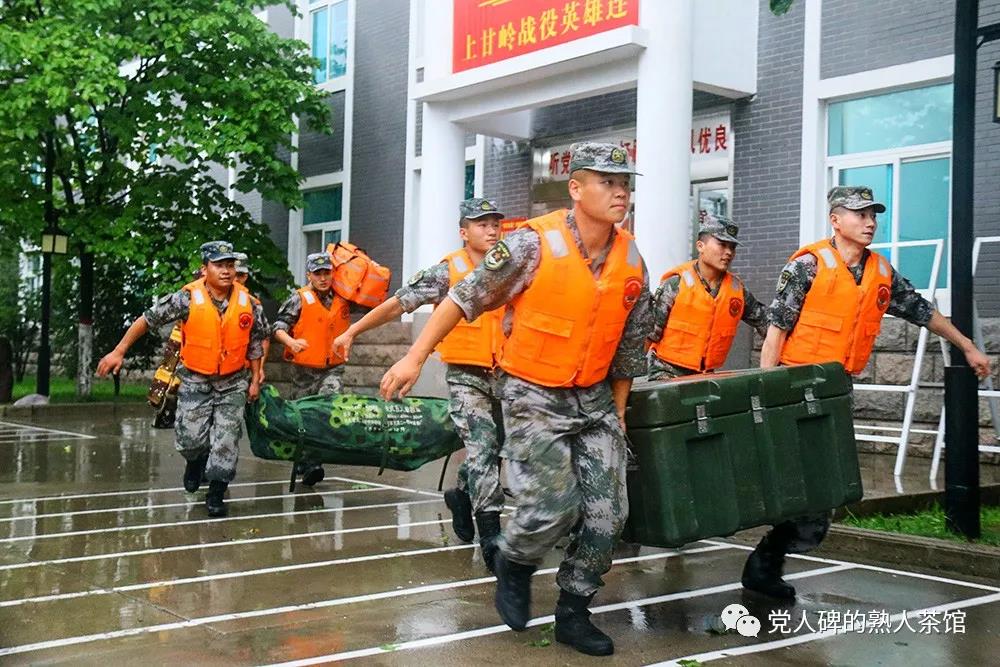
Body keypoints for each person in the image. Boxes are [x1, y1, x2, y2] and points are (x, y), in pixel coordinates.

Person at [379, 143, 651, 657]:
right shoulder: (532, 245)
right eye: (607, 182)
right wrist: (415, 356)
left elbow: (630, 348)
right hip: (531, 393)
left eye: (625, 183)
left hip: (593, 397)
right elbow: (463, 297)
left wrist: (617, 413)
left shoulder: (632, 256)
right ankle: (516, 559)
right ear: (576, 188)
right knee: (550, 507)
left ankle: (573, 611)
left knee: (609, 514)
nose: (620, 192)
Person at [745, 186, 993, 600]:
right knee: (800, 482)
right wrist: (764, 394)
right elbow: (775, 332)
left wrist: (966, 345)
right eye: (859, 214)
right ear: (835, 220)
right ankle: (765, 563)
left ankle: (766, 563)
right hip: (793, 388)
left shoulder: (880, 271)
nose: (870, 222)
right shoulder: (808, 265)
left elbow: (922, 310)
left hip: (836, 391)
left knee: (825, 489)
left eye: (873, 214)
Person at [333, 197, 507, 569]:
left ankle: (460, 495)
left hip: (508, 373)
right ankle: (492, 535)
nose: (492, 230)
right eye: (482, 224)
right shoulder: (449, 270)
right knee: (482, 448)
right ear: (464, 232)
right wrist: (354, 330)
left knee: (494, 449)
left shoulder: (510, 265)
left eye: (496, 223)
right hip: (467, 375)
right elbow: (399, 304)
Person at [97, 241, 268, 517]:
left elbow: (257, 342)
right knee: (190, 439)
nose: (226, 271)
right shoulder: (186, 298)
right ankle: (195, 462)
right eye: (219, 265)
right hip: (196, 379)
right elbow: (147, 320)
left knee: (227, 438)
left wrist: (256, 379)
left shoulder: (249, 303)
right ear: (204, 269)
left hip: (233, 381)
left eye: (230, 265)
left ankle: (216, 492)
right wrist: (119, 350)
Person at [647, 215, 768, 380]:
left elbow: (767, 324)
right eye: (722, 244)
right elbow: (649, 334)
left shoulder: (736, 290)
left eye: (732, 247)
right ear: (700, 246)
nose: (728, 252)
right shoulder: (676, 283)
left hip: (706, 376)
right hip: (667, 373)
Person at [271, 252, 352, 486]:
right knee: (304, 418)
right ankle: (305, 461)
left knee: (327, 407)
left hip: (332, 369)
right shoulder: (298, 299)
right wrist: (291, 342)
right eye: (318, 274)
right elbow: (278, 326)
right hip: (303, 372)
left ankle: (315, 463)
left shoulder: (342, 297)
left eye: (327, 272)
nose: (323, 278)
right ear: (309, 275)